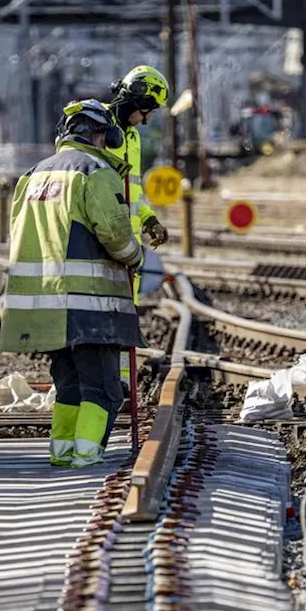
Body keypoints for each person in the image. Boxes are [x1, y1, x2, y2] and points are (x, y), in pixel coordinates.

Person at [0, 99, 145, 469]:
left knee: (69, 385)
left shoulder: (31, 176)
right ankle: (87, 456)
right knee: (104, 390)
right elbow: (114, 234)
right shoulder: (94, 171)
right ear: (103, 135)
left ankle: (62, 452)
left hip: (45, 305)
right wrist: (137, 256)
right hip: (89, 304)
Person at [104, 65, 171, 385]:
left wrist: (148, 219)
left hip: (126, 245)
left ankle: (121, 387)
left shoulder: (132, 137)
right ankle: (106, 385)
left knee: (125, 317)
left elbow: (134, 190)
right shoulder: (97, 124)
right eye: (146, 111)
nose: (147, 119)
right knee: (102, 316)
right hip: (101, 241)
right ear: (133, 101)